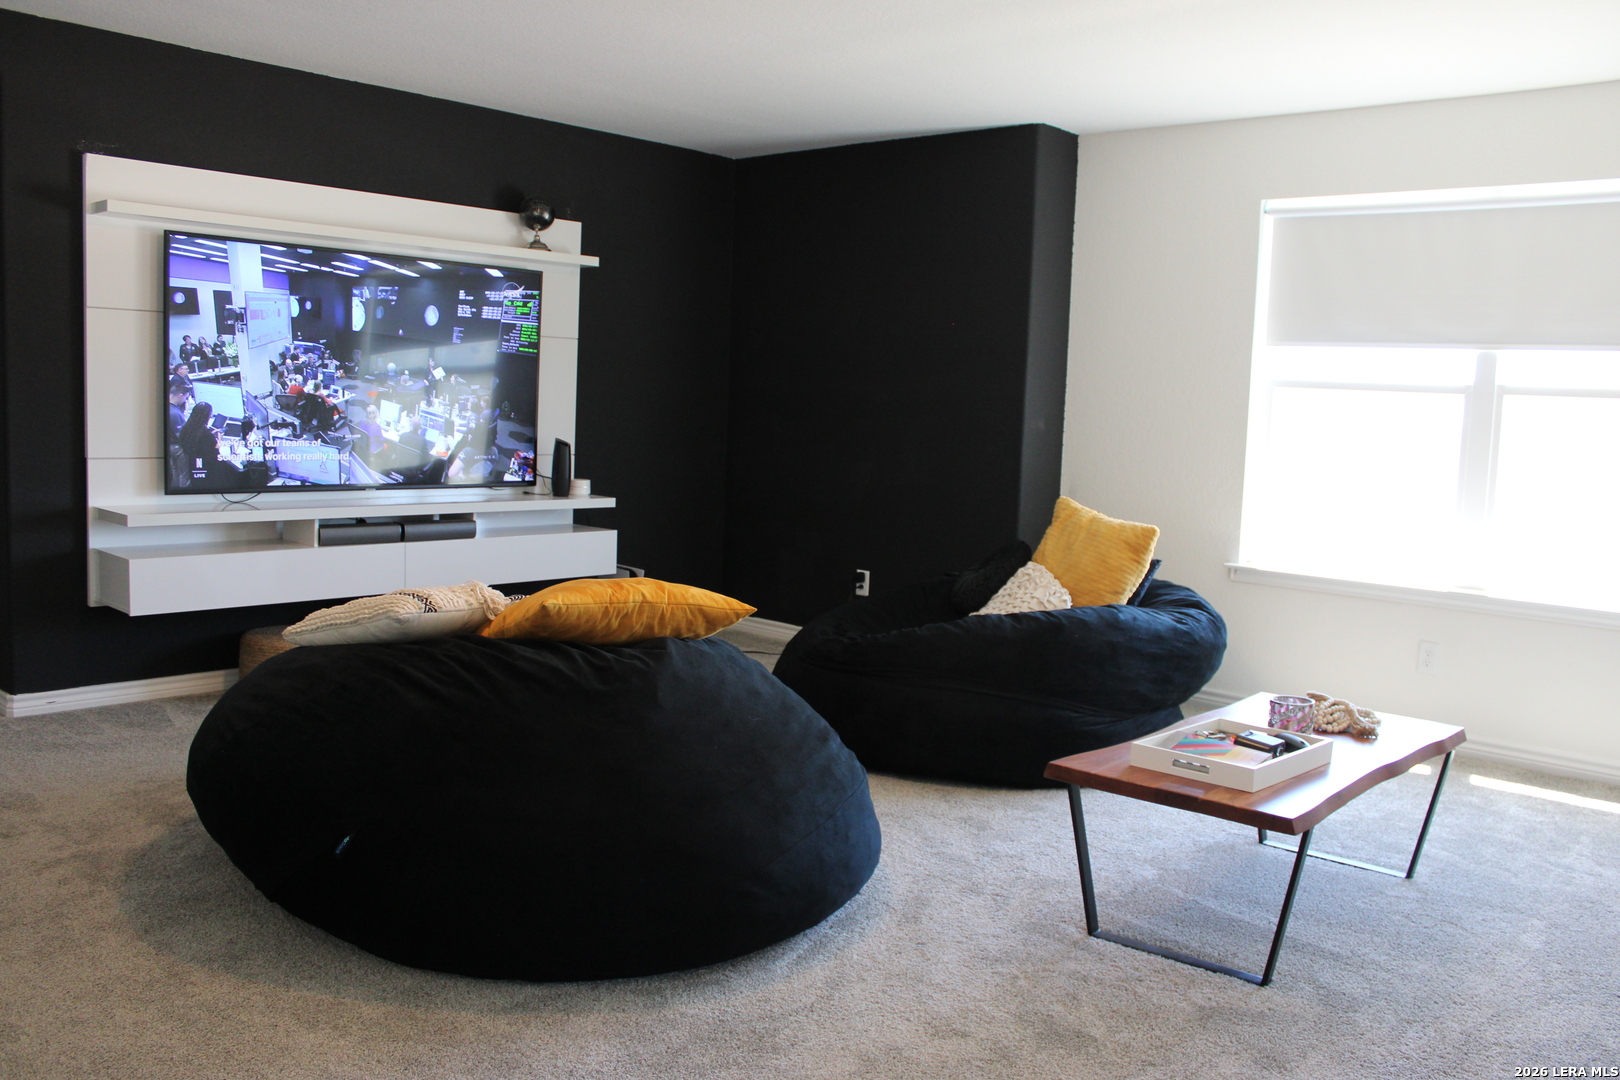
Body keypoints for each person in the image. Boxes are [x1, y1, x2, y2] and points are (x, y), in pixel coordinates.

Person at [176, 402, 243, 489]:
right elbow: (215, 454)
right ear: (207, 416)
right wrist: (219, 440)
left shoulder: (186, 428)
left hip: (193, 465)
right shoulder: (206, 435)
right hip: (208, 469)